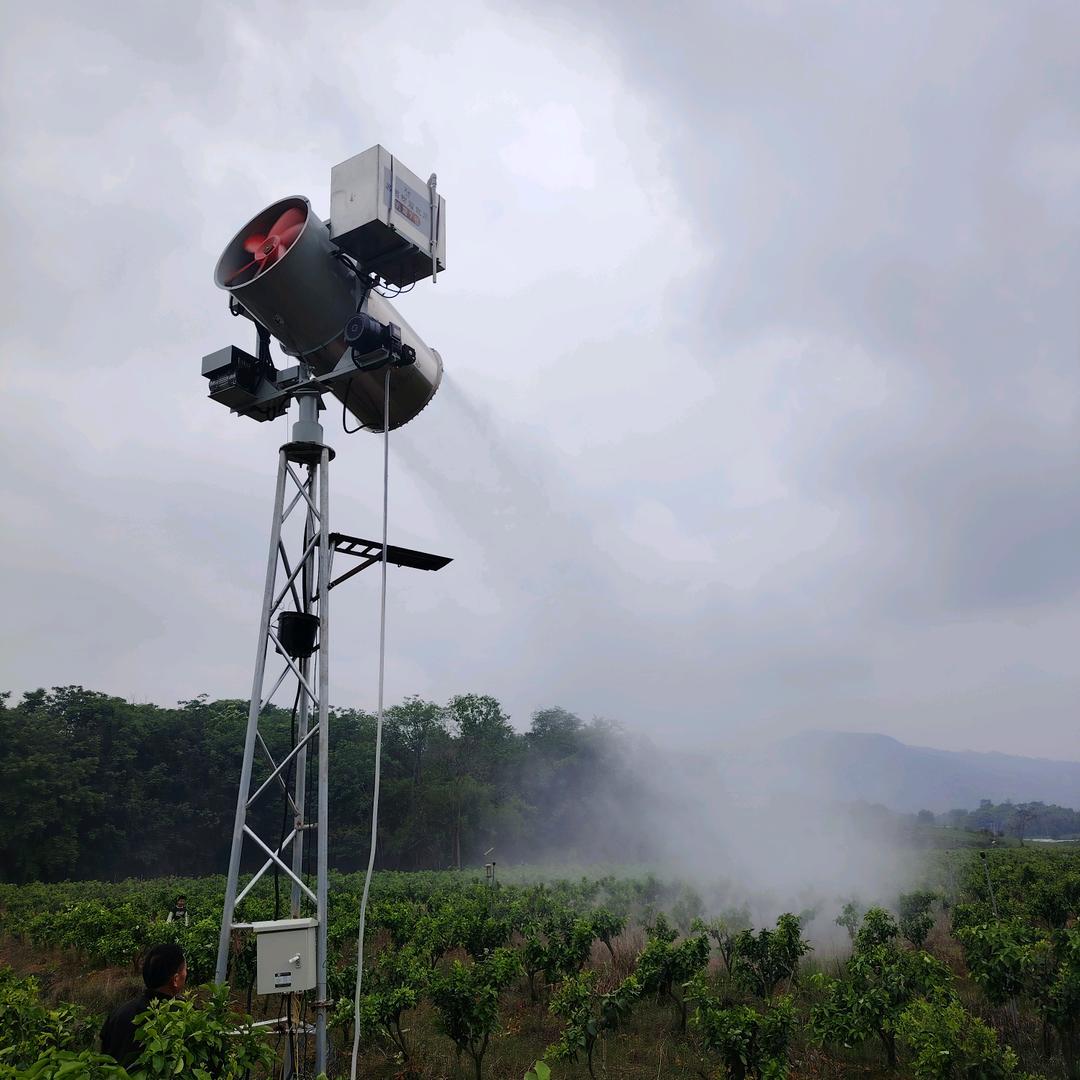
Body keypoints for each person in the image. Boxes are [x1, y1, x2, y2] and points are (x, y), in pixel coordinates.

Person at [100, 943, 187, 1068]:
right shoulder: (185, 1016)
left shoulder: (119, 1013)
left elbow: (104, 1057)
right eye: (185, 969)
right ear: (175, 980)